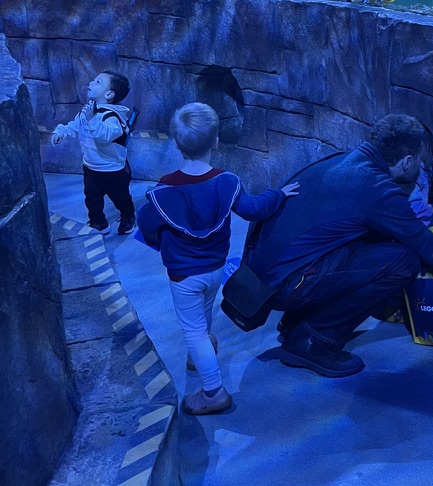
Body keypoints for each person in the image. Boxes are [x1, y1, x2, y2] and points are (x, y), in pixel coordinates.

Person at [247, 113, 433, 379]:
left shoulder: (339, 160)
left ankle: (296, 323)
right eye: (419, 162)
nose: (420, 168)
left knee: (367, 239)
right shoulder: (377, 189)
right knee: (403, 261)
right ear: (406, 162)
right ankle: (313, 340)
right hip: (286, 287)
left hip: (261, 281)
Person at [136, 102, 299, 415]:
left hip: (183, 276)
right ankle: (201, 350)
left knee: (192, 329)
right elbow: (254, 209)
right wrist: (278, 195)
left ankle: (213, 392)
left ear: (175, 141)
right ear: (215, 141)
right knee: (204, 314)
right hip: (215, 269)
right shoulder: (227, 181)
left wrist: (163, 243)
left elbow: (146, 226)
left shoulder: (165, 190)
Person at [50, 70, 136, 235]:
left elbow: (105, 135)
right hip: (90, 166)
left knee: (120, 197)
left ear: (109, 94)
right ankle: (99, 222)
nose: (91, 83)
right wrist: (61, 132)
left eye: (98, 82)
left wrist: (92, 119)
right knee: (92, 198)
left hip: (112, 169)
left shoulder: (112, 117)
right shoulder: (89, 111)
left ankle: (128, 216)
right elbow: (76, 125)